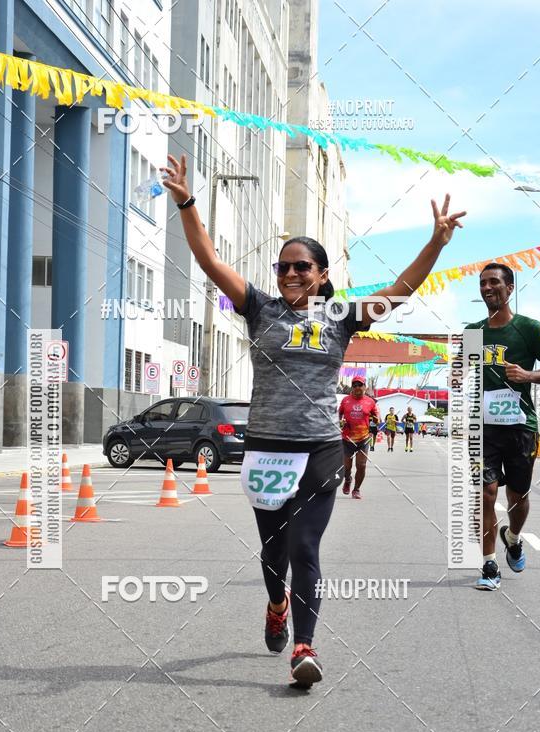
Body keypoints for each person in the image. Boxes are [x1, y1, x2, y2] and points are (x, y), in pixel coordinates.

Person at [162, 153, 465, 685]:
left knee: (305, 545)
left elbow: (401, 291)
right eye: (284, 266)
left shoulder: (341, 316)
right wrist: (187, 201)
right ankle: (275, 602)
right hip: (267, 448)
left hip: (321, 446)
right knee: (273, 550)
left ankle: (305, 647)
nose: (293, 273)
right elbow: (209, 261)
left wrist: (436, 244)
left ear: (323, 274)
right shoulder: (258, 307)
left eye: (303, 265)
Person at [465, 263, 540, 590]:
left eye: (494, 282)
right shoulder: (473, 332)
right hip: (484, 428)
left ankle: (513, 538)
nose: (487, 288)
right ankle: (489, 565)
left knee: (518, 496)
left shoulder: (530, 329)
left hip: (521, 426)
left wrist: (528, 375)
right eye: (482, 283)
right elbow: (466, 374)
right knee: (485, 494)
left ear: (510, 288)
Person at [338, 377, 379, 498]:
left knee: (361, 465)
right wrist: (339, 421)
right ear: (352, 387)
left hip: (364, 439)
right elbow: (339, 414)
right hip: (347, 439)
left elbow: (377, 417)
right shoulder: (345, 400)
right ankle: (347, 479)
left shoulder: (370, 402)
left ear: (364, 387)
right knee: (346, 467)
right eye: (354, 385)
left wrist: (375, 421)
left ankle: (356, 489)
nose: (357, 387)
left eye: (359, 385)